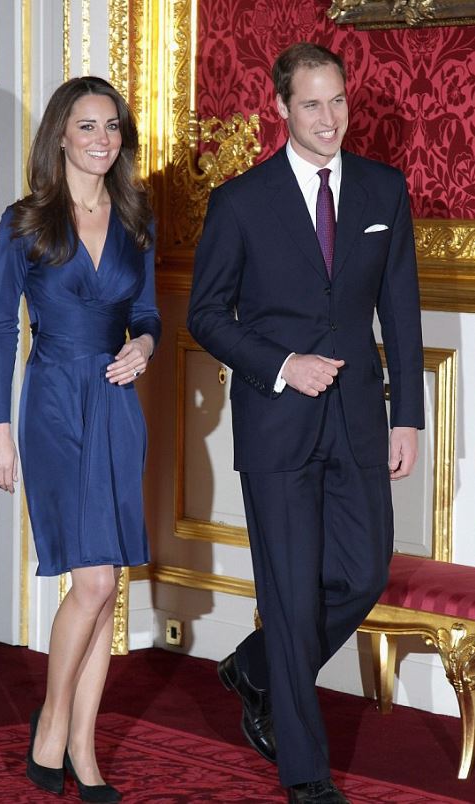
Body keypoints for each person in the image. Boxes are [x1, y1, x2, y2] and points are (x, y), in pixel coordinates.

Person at [188, 43, 424, 803]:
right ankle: (306, 774)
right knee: (290, 595)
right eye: (312, 104)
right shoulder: (240, 202)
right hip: (277, 424)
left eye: (338, 101)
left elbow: (401, 311)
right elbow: (204, 315)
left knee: (363, 573)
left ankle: (255, 666)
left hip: (359, 421)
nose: (329, 119)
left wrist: (407, 417)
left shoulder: (383, 190)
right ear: (281, 109)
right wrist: (284, 364)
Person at [0, 76, 161, 802]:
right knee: (90, 580)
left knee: (107, 584)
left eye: (112, 126)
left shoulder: (135, 216)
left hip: (117, 405)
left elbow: (147, 312)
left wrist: (144, 346)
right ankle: (52, 725)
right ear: (59, 134)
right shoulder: (25, 222)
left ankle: (81, 747)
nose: (101, 139)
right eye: (87, 126)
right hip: (54, 402)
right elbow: (1, 329)